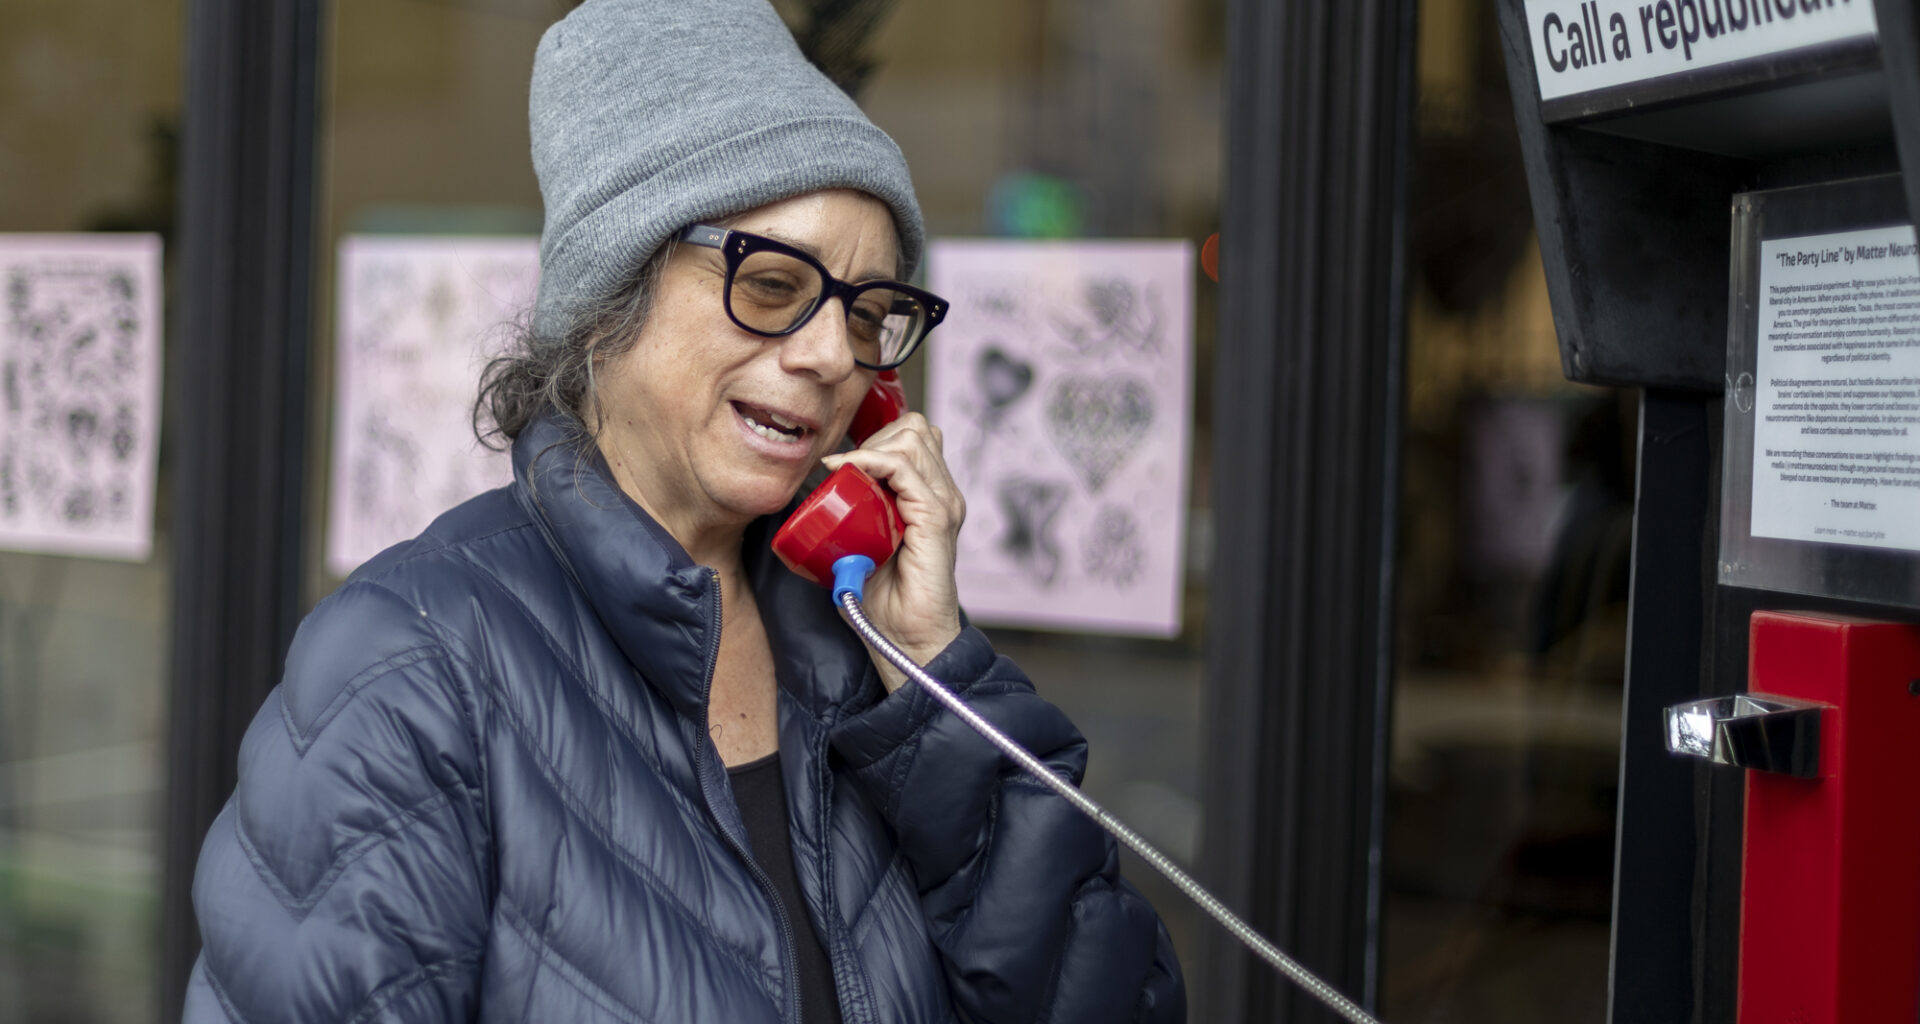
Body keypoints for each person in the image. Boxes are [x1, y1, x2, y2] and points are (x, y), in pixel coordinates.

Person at [182, 0, 1186, 1021]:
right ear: (608, 300)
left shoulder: (860, 649)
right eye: (774, 284)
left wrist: (934, 682)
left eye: (869, 312)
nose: (831, 356)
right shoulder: (408, 664)